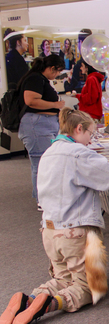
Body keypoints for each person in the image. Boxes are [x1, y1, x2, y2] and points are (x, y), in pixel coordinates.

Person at [0, 108, 109, 324]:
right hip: (76, 232)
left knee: (63, 278)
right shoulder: (79, 153)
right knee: (91, 288)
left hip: (49, 232)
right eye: (90, 134)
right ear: (78, 129)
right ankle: (49, 304)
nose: (90, 140)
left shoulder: (48, 152)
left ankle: (31, 298)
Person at [18, 55, 66, 210]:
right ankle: (43, 200)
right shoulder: (35, 79)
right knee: (41, 164)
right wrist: (55, 104)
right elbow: (31, 101)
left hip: (44, 124)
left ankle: (47, 196)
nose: (57, 75)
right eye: (57, 72)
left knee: (46, 162)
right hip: (37, 125)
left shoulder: (41, 79)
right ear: (52, 68)